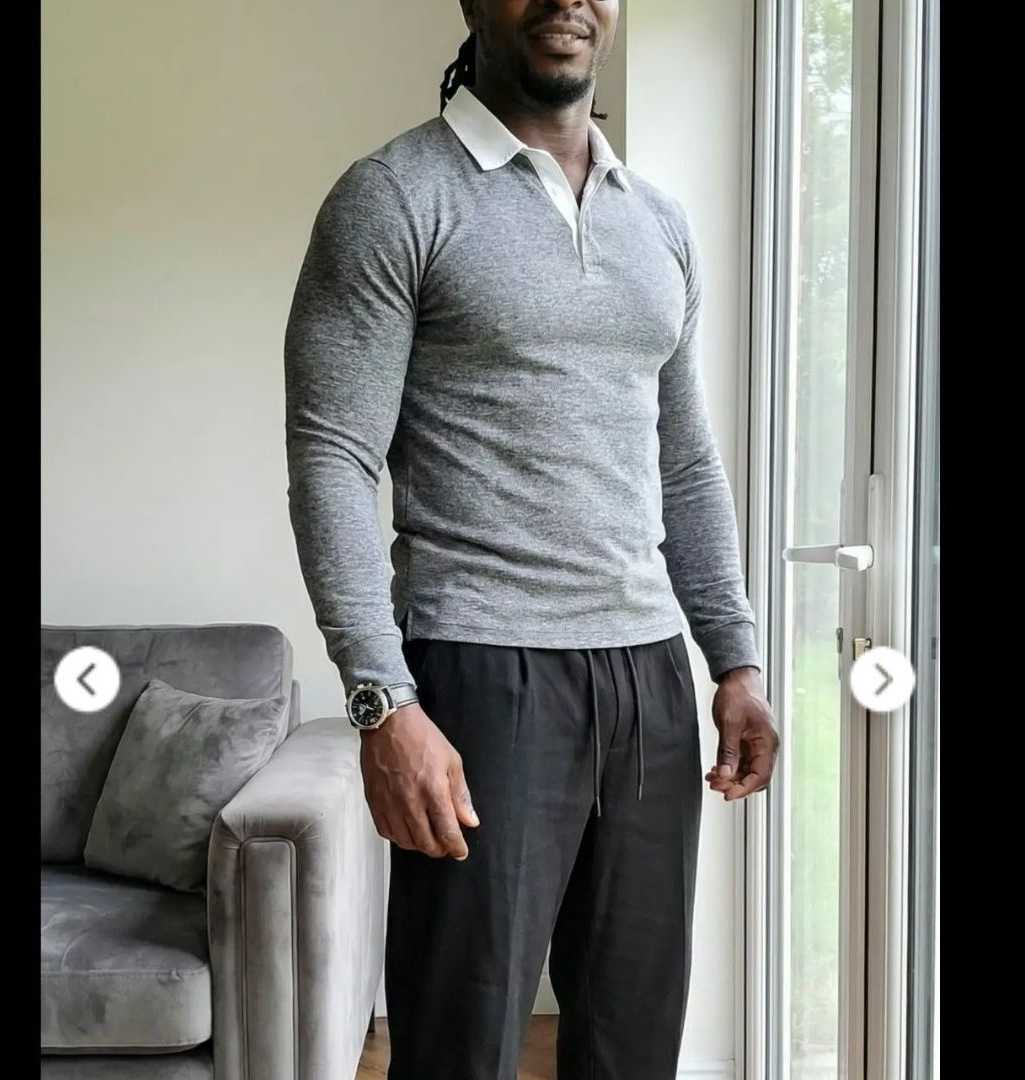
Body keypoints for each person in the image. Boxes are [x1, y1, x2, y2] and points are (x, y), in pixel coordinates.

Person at [284, 2, 779, 1077]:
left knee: (632, 1043)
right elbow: (332, 460)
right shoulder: (394, 197)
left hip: (648, 680)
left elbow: (685, 465)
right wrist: (383, 701)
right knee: (460, 1043)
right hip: (482, 674)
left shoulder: (658, 219)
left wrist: (734, 659)